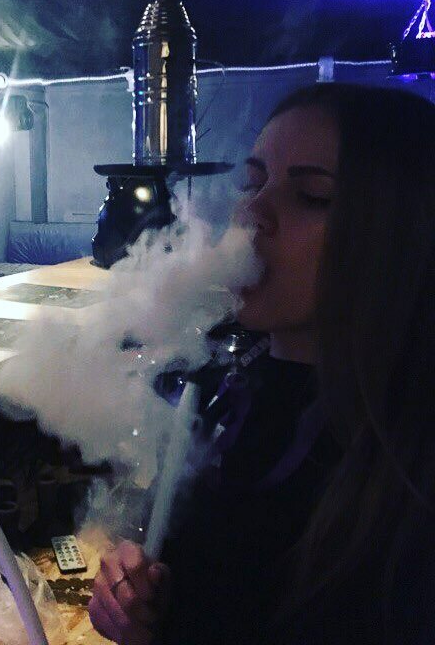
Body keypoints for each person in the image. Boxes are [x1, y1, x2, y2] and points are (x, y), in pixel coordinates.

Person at [88, 83, 435, 645]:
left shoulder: (407, 470)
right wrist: (139, 598)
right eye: (253, 183)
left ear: (403, 233)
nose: (249, 212)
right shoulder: (224, 388)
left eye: (312, 197)